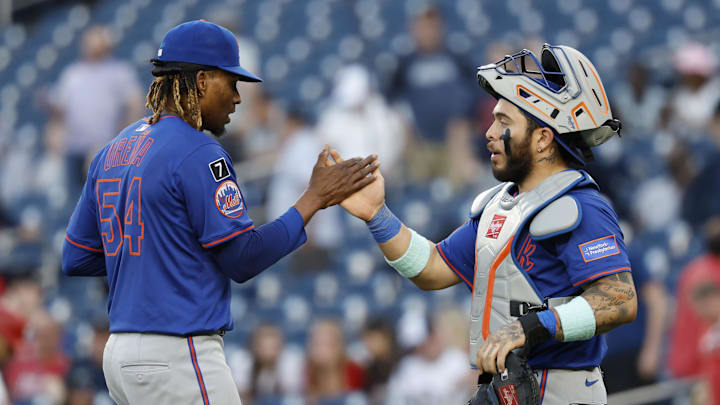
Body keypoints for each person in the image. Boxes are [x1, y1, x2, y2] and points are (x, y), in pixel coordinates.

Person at [60, 20, 378, 405]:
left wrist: (156, 257)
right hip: (178, 353)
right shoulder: (199, 151)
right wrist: (313, 198)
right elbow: (242, 258)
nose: (238, 98)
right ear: (202, 79)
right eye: (232, 83)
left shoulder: (111, 151)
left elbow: (76, 257)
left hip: (119, 357)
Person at [336, 44, 637, 404]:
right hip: (509, 391)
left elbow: (620, 299)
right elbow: (431, 268)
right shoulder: (499, 205)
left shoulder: (582, 205)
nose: (489, 132)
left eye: (504, 121)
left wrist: (531, 327)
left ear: (543, 138)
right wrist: (377, 215)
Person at [49, 25, 143, 196]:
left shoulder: (119, 71)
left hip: (106, 148)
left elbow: (135, 104)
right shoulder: (73, 74)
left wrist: (123, 137)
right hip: (75, 148)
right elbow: (60, 110)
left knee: (105, 199)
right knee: (76, 202)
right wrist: (55, 131)